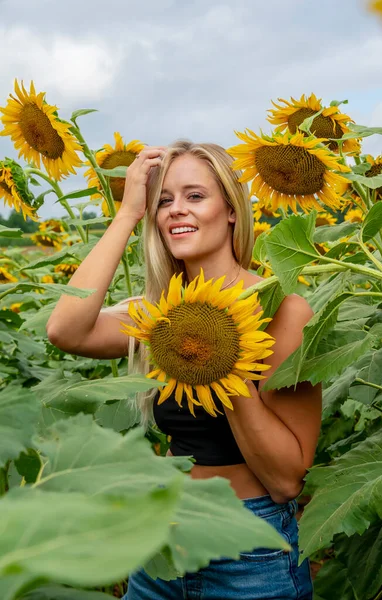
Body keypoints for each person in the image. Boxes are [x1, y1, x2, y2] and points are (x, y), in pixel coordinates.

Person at [46, 141, 321, 600]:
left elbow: (286, 479)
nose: (176, 210)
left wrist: (222, 358)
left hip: (247, 547)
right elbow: (65, 330)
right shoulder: (159, 316)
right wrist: (128, 214)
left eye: (195, 196)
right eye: (165, 201)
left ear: (231, 210)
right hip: (166, 540)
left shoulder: (282, 309)